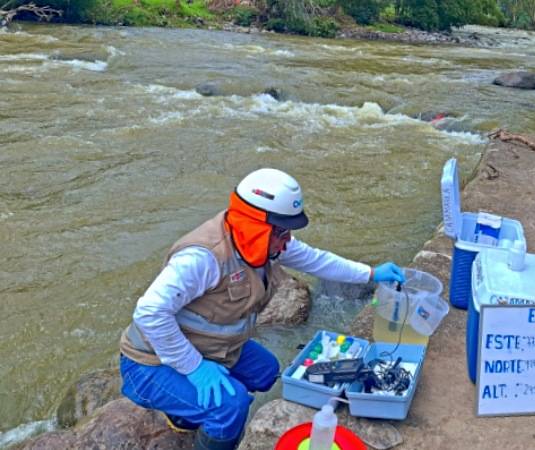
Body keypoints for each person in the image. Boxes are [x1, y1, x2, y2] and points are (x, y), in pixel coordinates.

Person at [118, 168, 406, 450]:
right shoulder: (201, 259)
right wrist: (193, 368)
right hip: (148, 361)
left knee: (266, 372)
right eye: (282, 231)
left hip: (211, 346)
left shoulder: (267, 243)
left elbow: (318, 260)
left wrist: (370, 273)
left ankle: (184, 414)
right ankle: (203, 417)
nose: (288, 240)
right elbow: (150, 312)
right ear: (255, 226)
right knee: (231, 408)